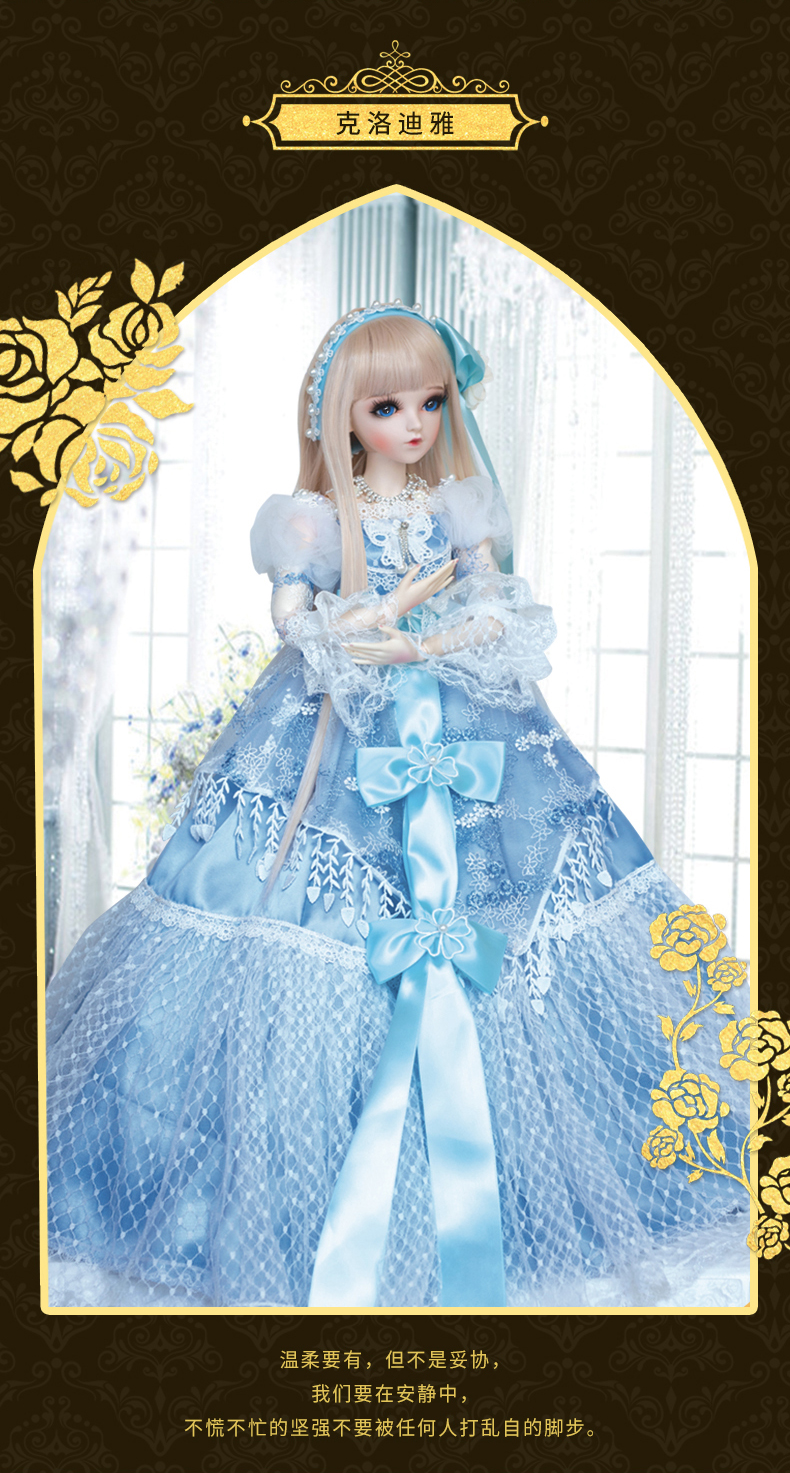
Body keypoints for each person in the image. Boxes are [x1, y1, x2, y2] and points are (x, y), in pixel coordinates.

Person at [46, 302, 749, 1310]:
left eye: (430, 402)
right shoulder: (313, 520)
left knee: (521, 904)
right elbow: (293, 621)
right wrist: (362, 620)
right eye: (387, 407)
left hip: (466, 717)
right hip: (335, 730)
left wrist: (434, 639)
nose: (414, 424)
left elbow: (497, 602)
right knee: (293, 916)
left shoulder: (458, 503)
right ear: (340, 413)